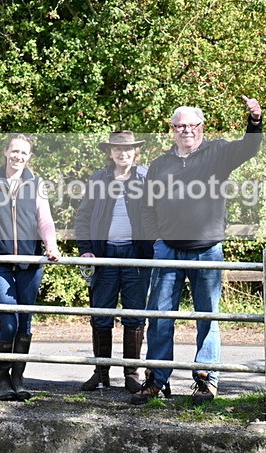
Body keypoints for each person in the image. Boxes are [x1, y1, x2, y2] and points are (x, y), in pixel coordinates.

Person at [132, 96, 263, 405]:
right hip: (167, 251)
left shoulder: (218, 153)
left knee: (207, 317)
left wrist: (255, 120)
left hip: (207, 250)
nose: (186, 130)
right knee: (160, 317)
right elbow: (147, 209)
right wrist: (157, 241)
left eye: (192, 125)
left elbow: (249, 148)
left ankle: (206, 380)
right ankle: (156, 378)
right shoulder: (160, 165)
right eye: (180, 125)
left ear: (202, 127)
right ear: (172, 129)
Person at [0, 133, 61, 402]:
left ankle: (18, 378)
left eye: (24, 153)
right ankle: (2, 378)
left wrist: (51, 246)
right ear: (6, 152)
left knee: (25, 325)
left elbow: (45, 221)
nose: (18, 156)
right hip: (0, 262)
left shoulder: (36, 183)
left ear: (29, 157)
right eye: (15, 151)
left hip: (31, 263)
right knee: (8, 324)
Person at [74, 131, 153, 393]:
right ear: (110, 152)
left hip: (136, 255)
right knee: (101, 314)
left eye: (128, 149)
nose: (123, 153)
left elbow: (157, 213)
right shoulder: (99, 178)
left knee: (134, 315)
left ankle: (131, 373)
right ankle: (101, 372)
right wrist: (86, 250)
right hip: (104, 254)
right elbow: (83, 217)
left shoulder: (145, 178)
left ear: (135, 152)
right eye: (118, 149)